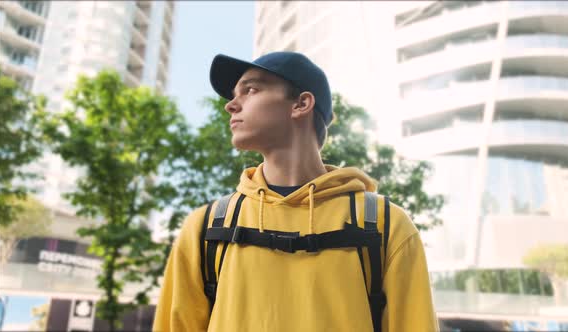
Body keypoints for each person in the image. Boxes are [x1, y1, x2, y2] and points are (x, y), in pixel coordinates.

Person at [152, 52, 438, 332]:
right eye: (234, 95)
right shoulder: (205, 228)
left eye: (250, 89)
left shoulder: (387, 227)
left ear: (301, 104)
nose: (231, 105)